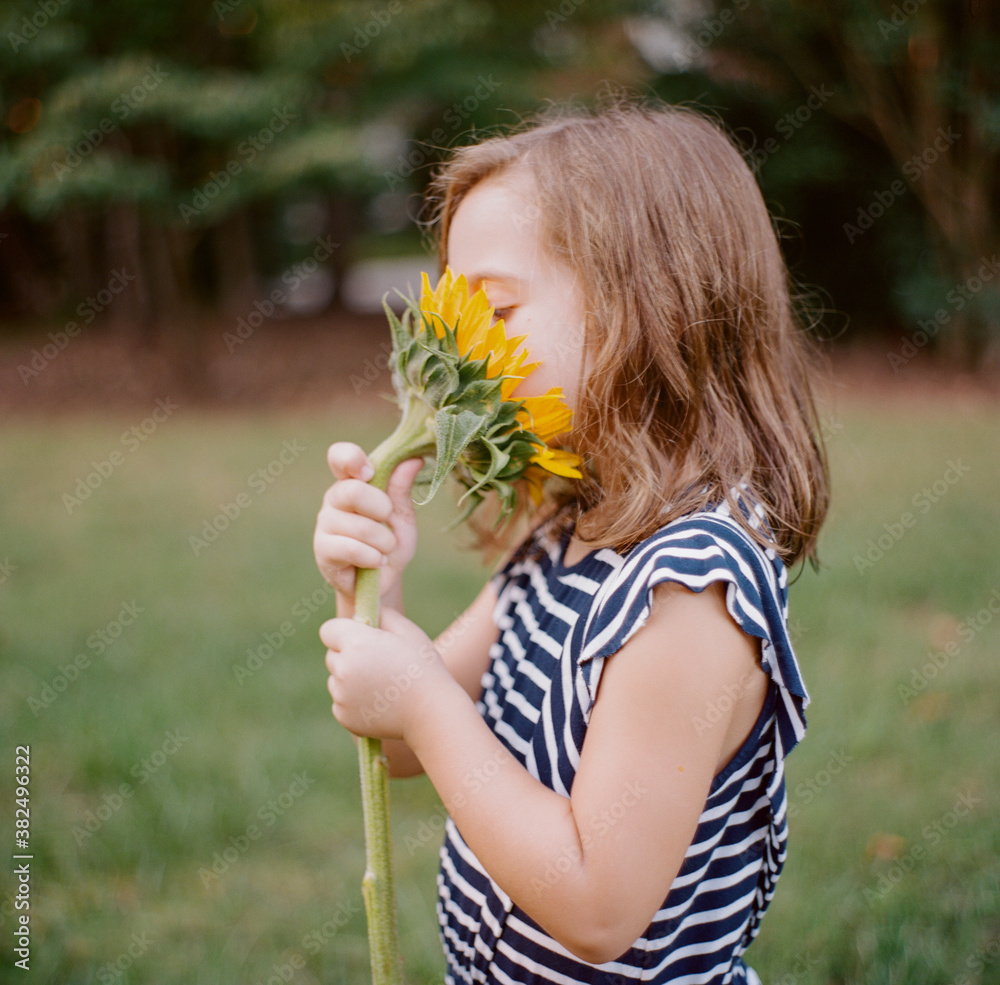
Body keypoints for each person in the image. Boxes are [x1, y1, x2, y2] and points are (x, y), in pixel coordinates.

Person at [314, 98, 830, 984]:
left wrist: (425, 699)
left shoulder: (690, 592)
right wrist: (374, 594)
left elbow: (598, 904)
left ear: (652, 305)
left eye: (496, 310)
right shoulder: (566, 534)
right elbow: (401, 743)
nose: (458, 348)